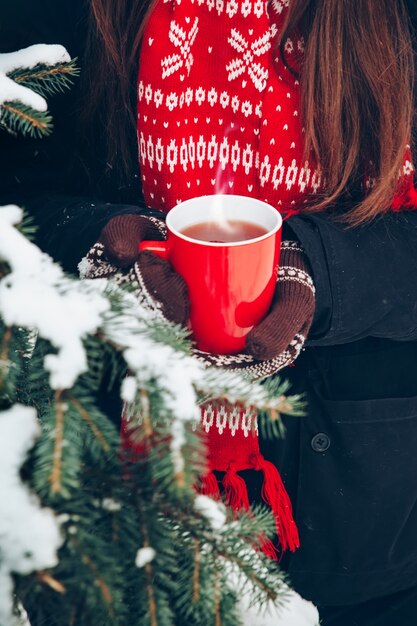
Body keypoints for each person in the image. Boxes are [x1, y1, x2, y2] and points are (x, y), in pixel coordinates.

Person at [1, 0, 417, 623]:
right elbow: (17, 177)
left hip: (365, 524)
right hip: (118, 516)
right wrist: (100, 239)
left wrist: (321, 270)